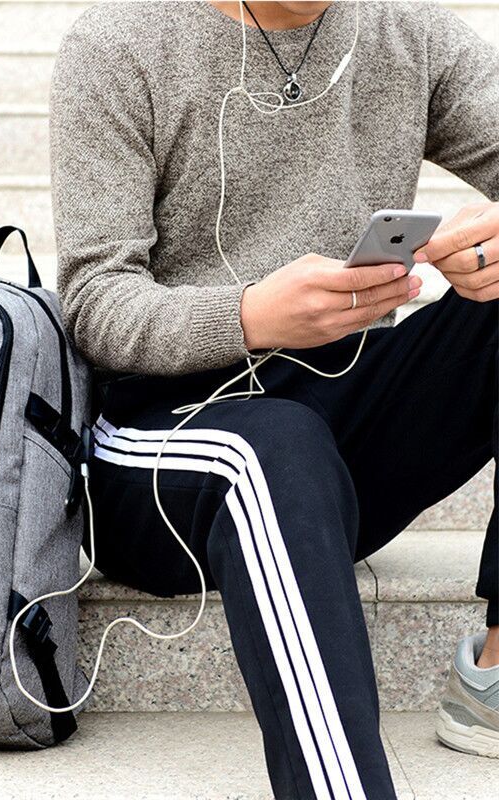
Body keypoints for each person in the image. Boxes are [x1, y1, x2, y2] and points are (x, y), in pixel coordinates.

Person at [50, 1, 498, 797]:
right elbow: (95, 302)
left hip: (344, 408)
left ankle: (496, 679)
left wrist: (489, 248)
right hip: (165, 436)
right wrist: (251, 314)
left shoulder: (406, 30)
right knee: (270, 448)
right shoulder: (118, 43)